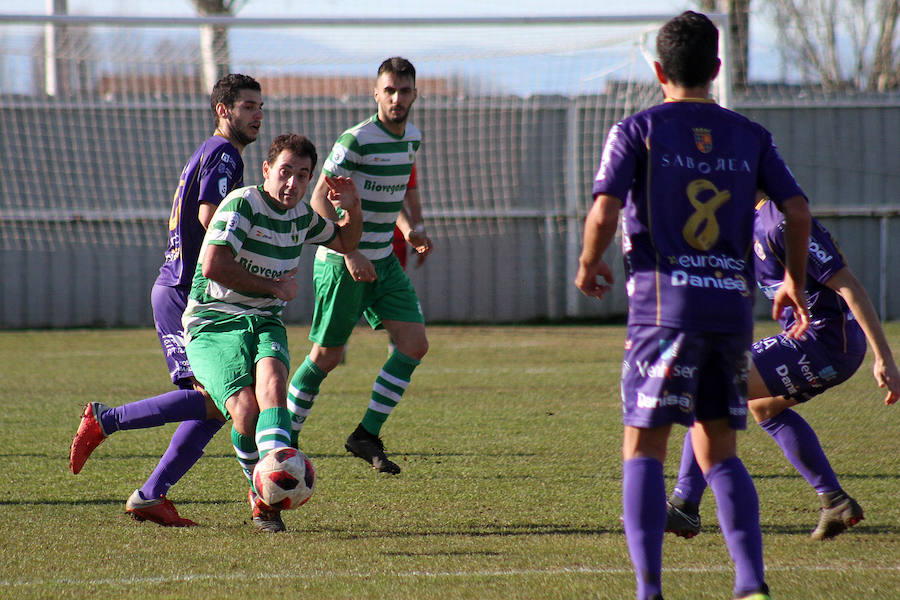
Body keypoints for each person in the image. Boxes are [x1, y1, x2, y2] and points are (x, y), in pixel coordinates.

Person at [574, 11, 812, 600]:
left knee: (644, 447)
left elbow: (605, 211)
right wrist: (793, 282)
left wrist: (587, 263)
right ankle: (751, 584)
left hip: (664, 311)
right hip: (729, 312)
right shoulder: (750, 134)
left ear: (658, 70)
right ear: (718, 69)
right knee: (720, 448)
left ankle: (649, 591)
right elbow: (799, 211)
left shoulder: (637, 128)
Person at [70, 133, 363, 533]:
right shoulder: (243, 203)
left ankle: (262, 496)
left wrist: (352, 208)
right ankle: (260, 496)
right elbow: (212, 265)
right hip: (213, 321)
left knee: (268, 389)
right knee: (238, 411)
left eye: (303, 175)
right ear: (266, 171)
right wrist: (275, 287)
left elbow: (345, 239)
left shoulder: (302, 218)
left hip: (264, 319)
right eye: (285, 172)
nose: (292, 183)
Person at [68, 73, 263, 527]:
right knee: (220, 401)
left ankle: (150, 496)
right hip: (183, 293)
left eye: (260, 107)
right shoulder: (224, 154)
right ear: (224, 110)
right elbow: (210, 216)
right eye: (249, 106)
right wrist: (250, 264)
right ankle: (105, 420)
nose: (258, 115)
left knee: (214, 408)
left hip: (183, 289)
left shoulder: (209, 151)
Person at [665, 196, 900, 541]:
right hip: (816, 341)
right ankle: (834, 501)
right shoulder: (751, 219)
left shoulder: (782, 222)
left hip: (825, 342)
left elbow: (848, 285)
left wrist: (885, 359)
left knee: (710, 388)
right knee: (764, 408)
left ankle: (685, 505)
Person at [286, 57, 432, 475]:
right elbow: (317, 201)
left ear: (414, 95)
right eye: (389, 91)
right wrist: (349, 250)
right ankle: (283, 440)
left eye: (404, 91)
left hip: (383, 260)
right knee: (327, 357)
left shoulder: (412, 139)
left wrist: (411, 229)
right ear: (376, 93)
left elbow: (398, 191)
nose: (396, 99)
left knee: (414, 344)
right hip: (341, 262)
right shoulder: (356, 140)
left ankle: (365, 434)